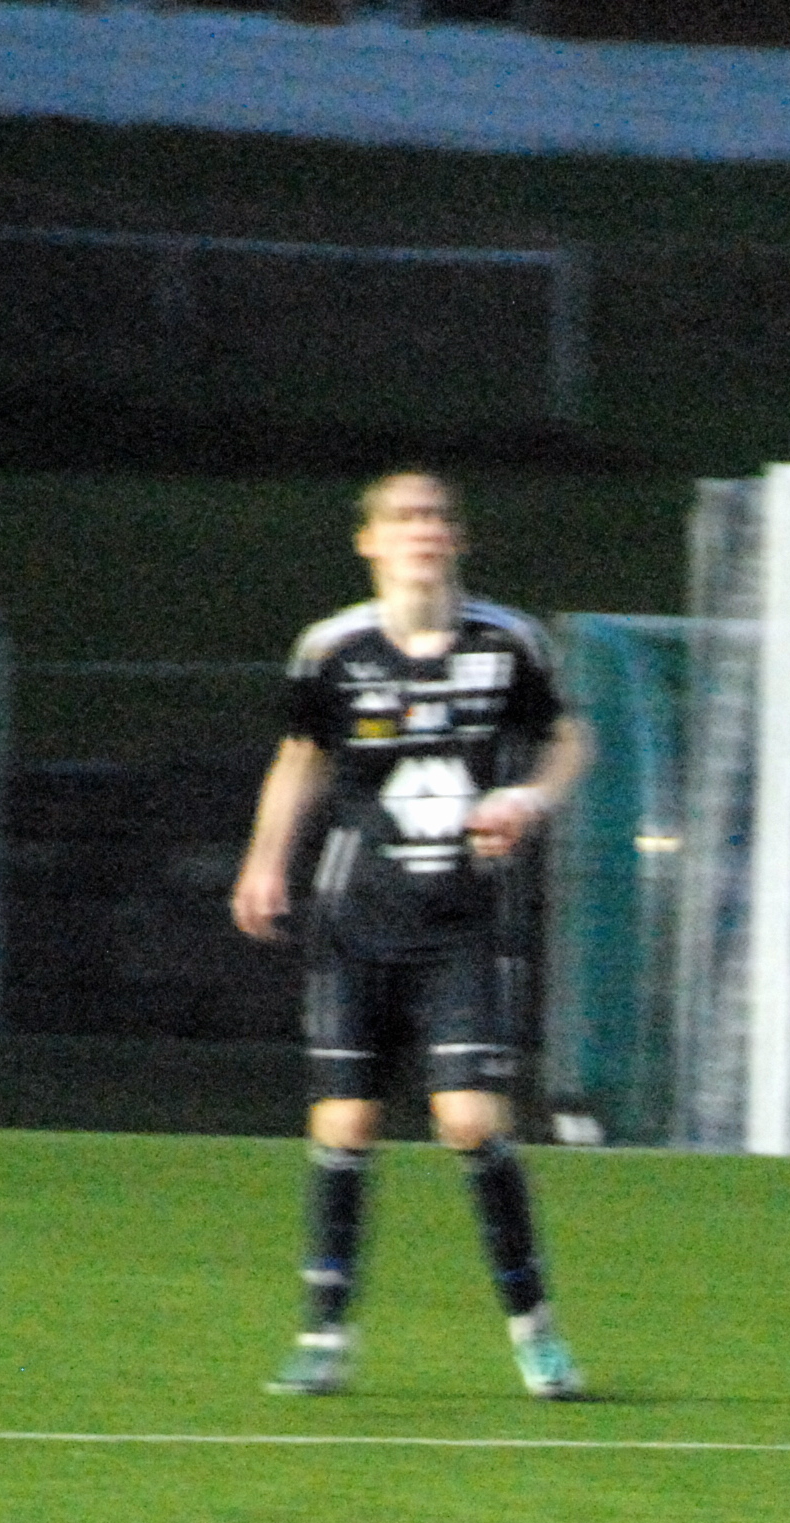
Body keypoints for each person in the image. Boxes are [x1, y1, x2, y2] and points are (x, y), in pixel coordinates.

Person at [231, 470, 593, 1400]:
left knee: (469, 1119)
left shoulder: (505, 642)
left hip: (462, 923)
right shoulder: (333, 649)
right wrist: (266, 861)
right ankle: (323, 1336)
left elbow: (567, 740)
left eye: (437, 516)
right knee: (345, 1121)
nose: (422, 530)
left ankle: (537, 1333)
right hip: (355, 920)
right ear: (369, 541)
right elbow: (300, 758)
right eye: (402, 517)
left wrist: (527, 799)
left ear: (458, 538)